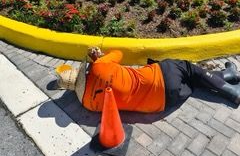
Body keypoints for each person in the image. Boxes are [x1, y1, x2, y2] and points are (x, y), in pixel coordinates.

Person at [53, 47, 240, 113]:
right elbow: (118, 53)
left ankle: (229, 75)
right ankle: (232, 91)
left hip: (163, 103)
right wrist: (99, 57)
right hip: (160, 77)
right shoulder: (100, 65)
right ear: (80, 73)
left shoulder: (87, 103)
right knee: (188, 68)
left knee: (191, 80)